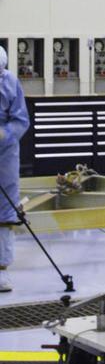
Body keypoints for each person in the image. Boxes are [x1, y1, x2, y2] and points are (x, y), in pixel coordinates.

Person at [0, 46, 29, 293]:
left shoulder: (10, 82)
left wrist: (4, 134)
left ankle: (1, 270)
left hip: (4, 155)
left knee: (5, 211)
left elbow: (21, 119)